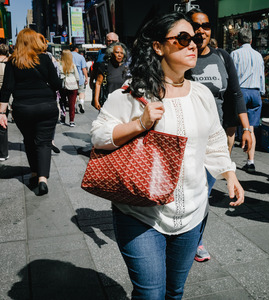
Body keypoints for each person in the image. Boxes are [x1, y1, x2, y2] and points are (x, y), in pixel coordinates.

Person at [90, 12, 244, 298]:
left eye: (195, 39)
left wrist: (229, 173)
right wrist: (140, 124)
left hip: (193, 213)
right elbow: (98, 135)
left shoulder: (201, 94)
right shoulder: (132, 92)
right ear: (158, 47)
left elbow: (214, 138)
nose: (193, 45)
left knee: (175, 292)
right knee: (150, 294)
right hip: (140, 213)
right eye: (183, 38)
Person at [186, 8, 252, 262]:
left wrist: (246, 128)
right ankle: (186, 236)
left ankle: (196, 239)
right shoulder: (184, 58)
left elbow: (235, 93)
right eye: (196, 26)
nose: (201, 30)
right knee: (194, 189)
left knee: (205, 190)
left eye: (206, 25)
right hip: (189, 136)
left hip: (218, 136)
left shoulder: (222, 57)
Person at [0, 28, 62, 195]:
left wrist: (1, 113)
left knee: (28, 140)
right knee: (44, 142)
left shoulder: (13, 62)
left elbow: (6, 89)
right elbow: (56, 84)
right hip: (46, 106)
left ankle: (34, 173)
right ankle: (42, 179)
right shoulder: (45, 59)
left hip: (23, 108)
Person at [230, 27, 265, 173]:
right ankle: (250, 162)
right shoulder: (258, 55)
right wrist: (261, 92)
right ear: (251, 40)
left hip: (241, 92)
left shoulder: (235, 54)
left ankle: (226, 161)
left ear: (238, 41)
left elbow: (231, 76)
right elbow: (262, 76)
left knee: (231, 128)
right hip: (256, 92)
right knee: (250, 128)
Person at [93, 42, 130, 110]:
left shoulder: (126, 68)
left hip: (123, 102)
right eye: (117, 52)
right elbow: (98, 83)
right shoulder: (104, 66)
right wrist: (96, 100)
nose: (119, 55)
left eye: (121, 53)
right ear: (111, 54)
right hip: (108, 102)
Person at [59, 50, 80, 127]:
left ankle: (63, 118)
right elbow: (77, 77)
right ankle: (72, 121)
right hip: (73, 85)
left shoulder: (59, 64)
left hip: (63, 85)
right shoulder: (73, 65)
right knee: (72, 104)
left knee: (63, 103)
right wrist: (77, 86)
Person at [70, 44, 88, 114]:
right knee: (81, 92)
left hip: (70, 78)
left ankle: (74, 107)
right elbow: (84, 69)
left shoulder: (67, 56)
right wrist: (86, 78)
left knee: (72, 94)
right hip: (80, 78)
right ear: (76, 49)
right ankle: (81, 102)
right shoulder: (81, 57)